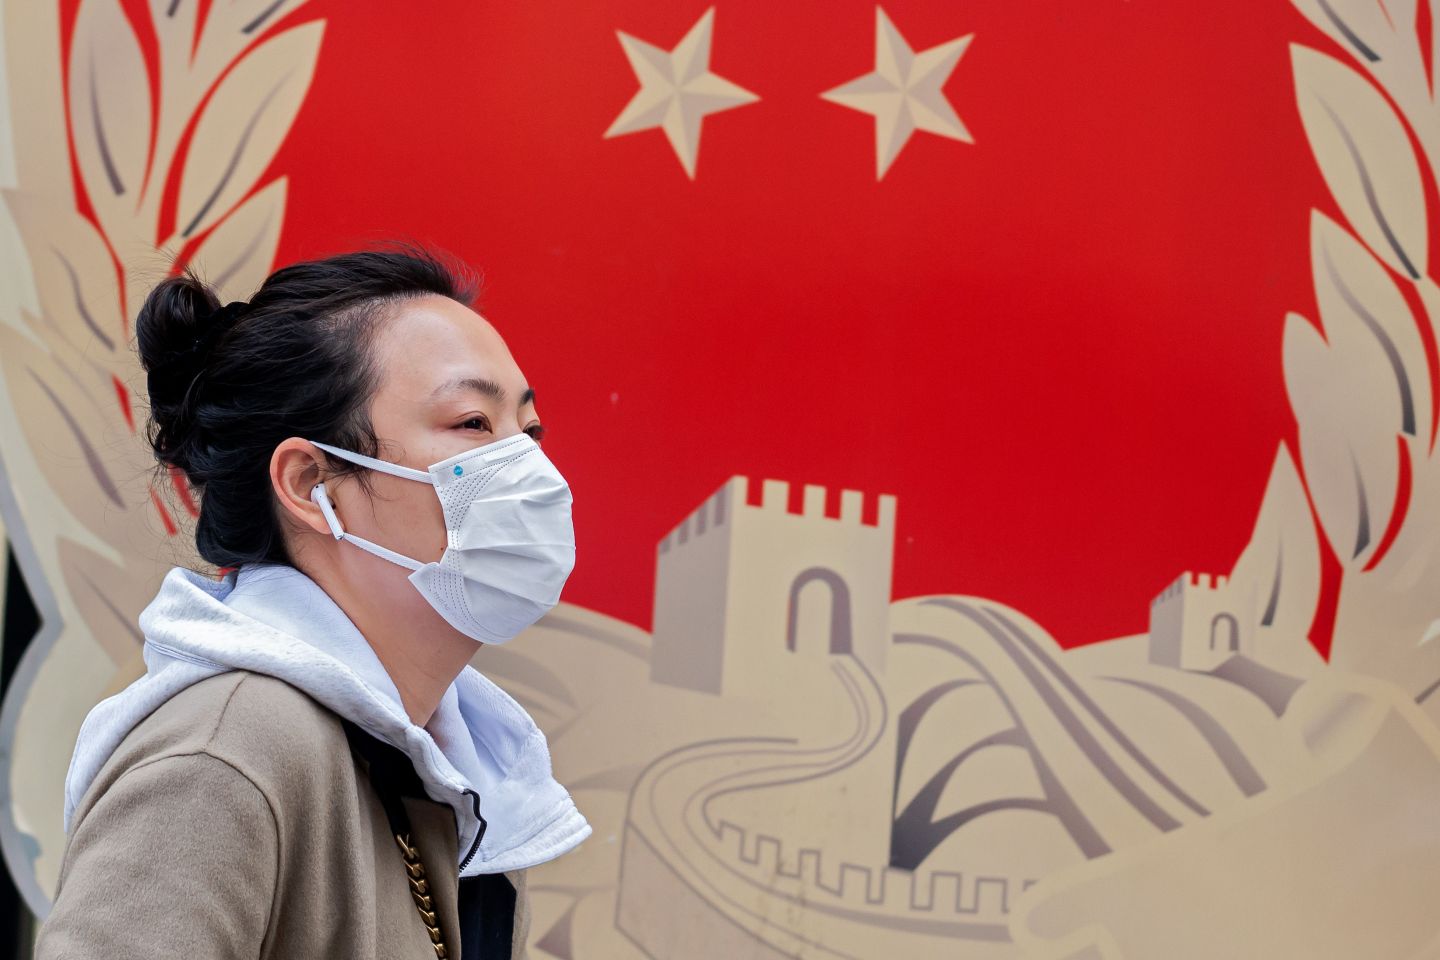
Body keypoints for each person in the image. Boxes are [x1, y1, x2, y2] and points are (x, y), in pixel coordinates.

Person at [34, 244, 590, 960]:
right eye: (473, 423)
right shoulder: (226, 755)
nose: (530, 467)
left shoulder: (461, 770)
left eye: (530, 429)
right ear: (310, 484)